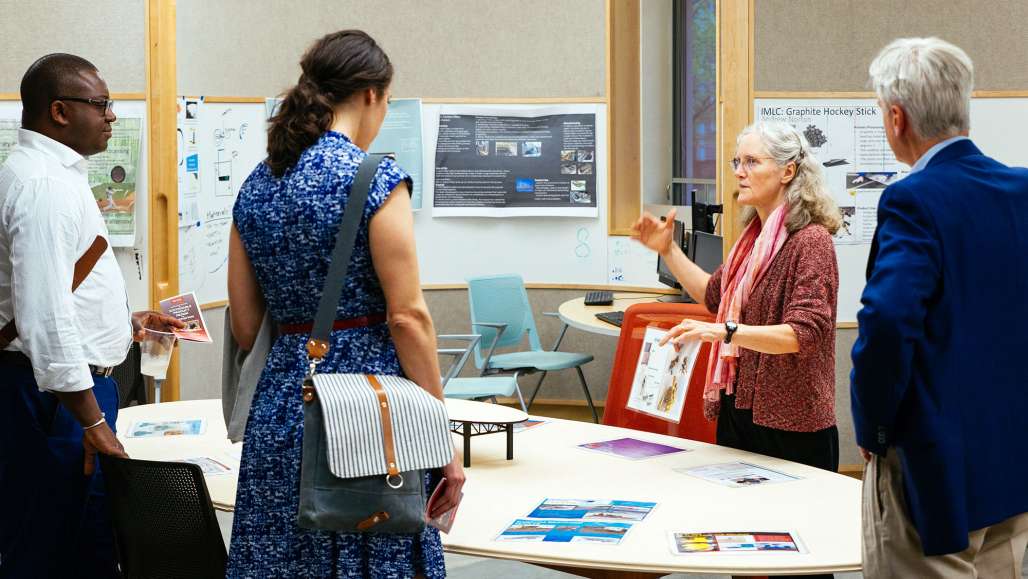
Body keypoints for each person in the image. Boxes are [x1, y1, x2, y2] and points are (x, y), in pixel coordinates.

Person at [227, 30, 465, 578]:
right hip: (366, 414)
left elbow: (245, 329)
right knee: (371, 553)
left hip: (282, 407)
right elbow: (407, 317)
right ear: (372, 95)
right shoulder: (376, 179)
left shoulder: (256, 187)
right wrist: (440, 439)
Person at [0, 53, 182, 578]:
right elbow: (44, 315)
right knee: (50, 550)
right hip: (56, 403)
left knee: (82, 545)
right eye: (101, 104)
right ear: (59, 111)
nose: (111, 116)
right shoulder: (45, 187)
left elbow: (57, 291)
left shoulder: (52, 175)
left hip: (63, 397)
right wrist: (93, 421)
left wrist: (129, 321)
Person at [633, 121, 842, 579]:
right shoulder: (752, 239)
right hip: (739, 408)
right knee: (742, 546)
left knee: (799, 559)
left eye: (752, 162)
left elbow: (803, 334)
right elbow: (713, 294)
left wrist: (726, 332)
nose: (739, 172)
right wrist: (668, 251)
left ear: (788, 171)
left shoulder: (811, 242)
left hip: (791, 422)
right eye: (736, 162)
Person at [852, 37, 1028, 578]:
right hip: (1011, 458)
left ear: (897, 117)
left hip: (932, 465)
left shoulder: (914, 198)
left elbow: (887, 321)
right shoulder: (1021, 189)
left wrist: (874, 430)